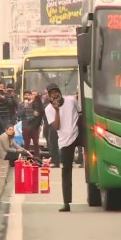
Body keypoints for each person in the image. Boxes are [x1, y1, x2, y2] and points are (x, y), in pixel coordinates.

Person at [45, 83, 82, 212]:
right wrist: (57, 110)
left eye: (56, 92)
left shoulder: (71, 101)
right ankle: (66, 202)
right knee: (66, 170)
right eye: (52, 93)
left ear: (59, 92)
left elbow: (80, 112)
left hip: (78, 133)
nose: (55, 95)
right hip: (65, 140)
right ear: (49, 96)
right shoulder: (49, 109)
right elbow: (56, 127)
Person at [17, 90, 44, 159]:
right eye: (25, 95)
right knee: (26, 143)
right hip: (25, 126)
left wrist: (39, 125)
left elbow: (39, 114)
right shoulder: (21, 104)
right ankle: (27, 158)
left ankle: (37, 157)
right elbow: (19, 115)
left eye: (29, 95)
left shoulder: (35, 104)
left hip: (34, 127)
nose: (27, 96)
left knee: (36, 143)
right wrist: (24, 107)